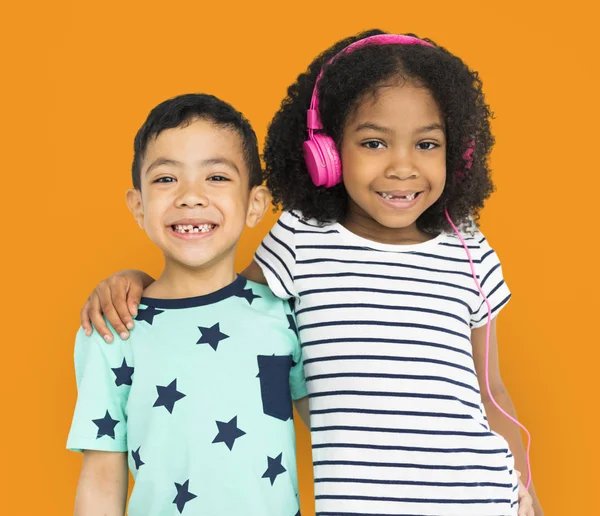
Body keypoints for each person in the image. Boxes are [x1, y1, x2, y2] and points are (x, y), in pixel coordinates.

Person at [80, 31, 541, 515]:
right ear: (327, 152)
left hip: (483, 500)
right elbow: (218, 298)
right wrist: (139, 283)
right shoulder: (302, 237)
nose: (402, 167)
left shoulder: (468, 247)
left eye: (427, 143)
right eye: (374, 142)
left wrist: (531, 496)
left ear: (458, 154)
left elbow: (494, 392)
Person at [67, 93, 309, 515]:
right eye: (166, 179)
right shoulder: (113, 328)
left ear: (255, 205)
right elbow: (102, 478)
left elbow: (338, 426)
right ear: (138, 207)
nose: (190, 196)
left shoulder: (285, 314)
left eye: (216, 177)